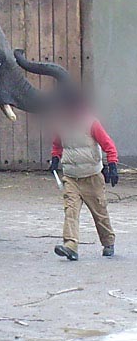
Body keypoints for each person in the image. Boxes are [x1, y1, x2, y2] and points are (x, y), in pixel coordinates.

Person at [48, 97, 118, 261]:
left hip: (92, 177)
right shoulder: (61, 125)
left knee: (99, 213)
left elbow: (109, 145)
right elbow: (57, 145)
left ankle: (108, 242)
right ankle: (70, 246)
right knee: (70, 211)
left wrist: (113, 165)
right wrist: (55, 158)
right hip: (71, 177)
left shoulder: (92, 124)